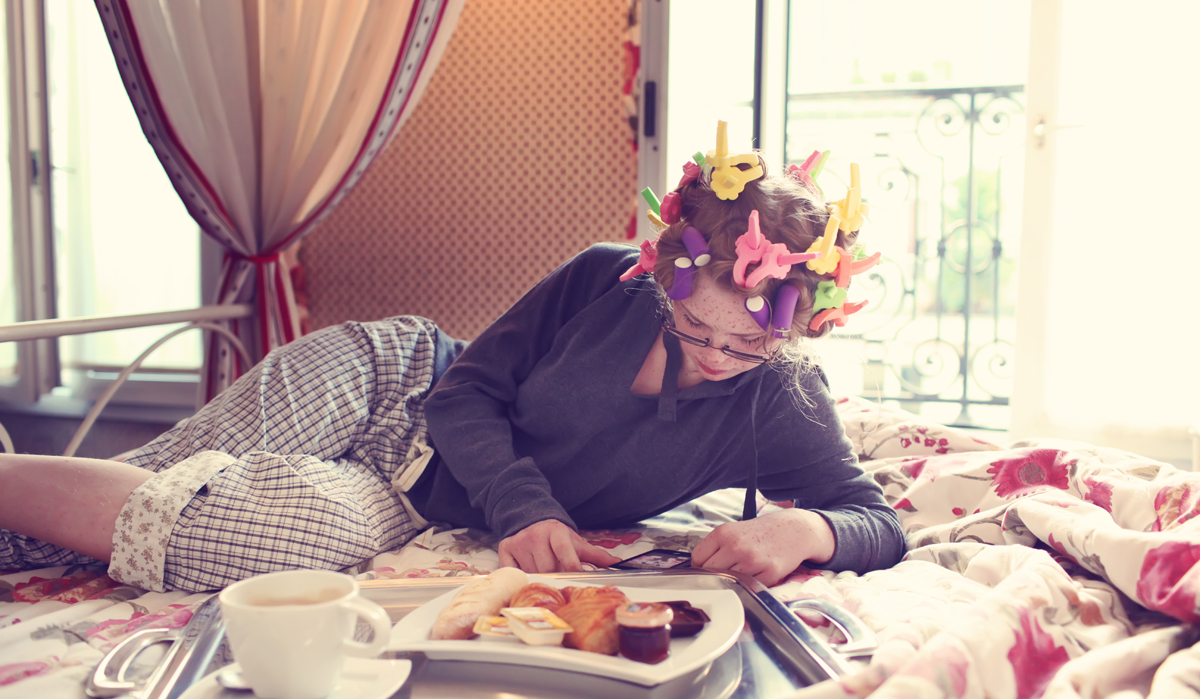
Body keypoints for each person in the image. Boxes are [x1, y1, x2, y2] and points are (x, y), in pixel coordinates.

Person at [0, 122, 904, 592]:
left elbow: (878, 521)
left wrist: (805, 530)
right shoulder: (605, 278)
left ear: (791, 331)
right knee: (147, 469)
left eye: (744, 343)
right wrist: (525, 504)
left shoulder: (781, 398)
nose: (713, 354)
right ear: (667, 273)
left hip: (409, 501)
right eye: (690, 327)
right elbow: (465, 390)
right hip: (388, 382)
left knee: (197, 527)